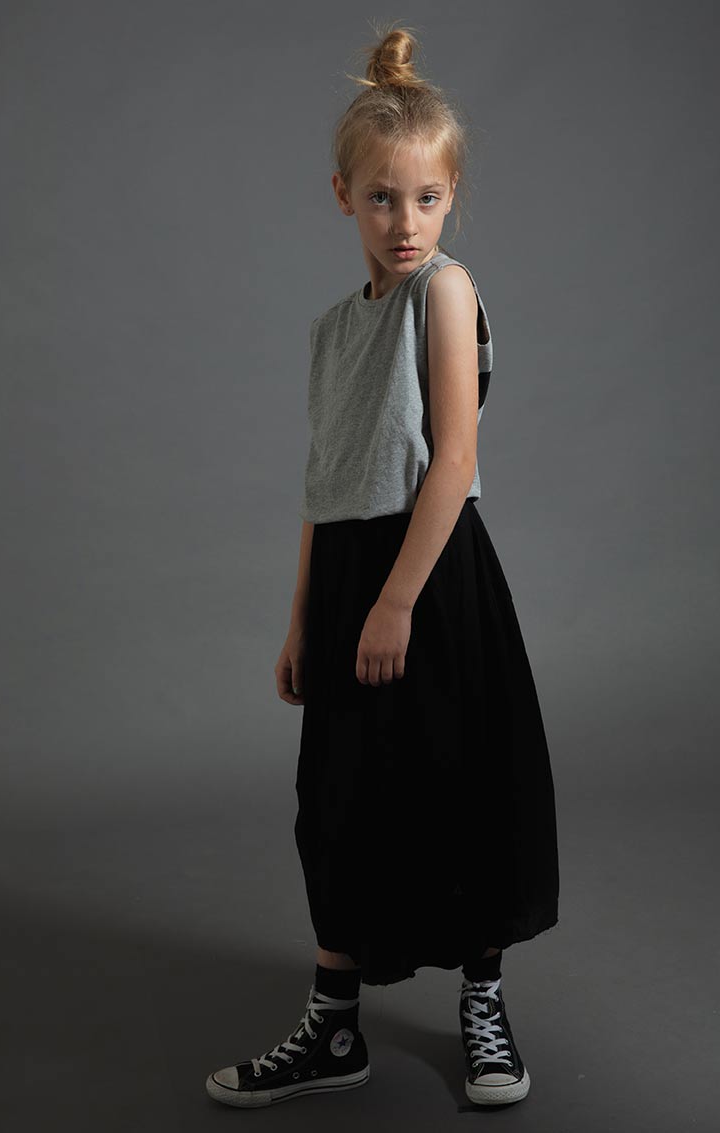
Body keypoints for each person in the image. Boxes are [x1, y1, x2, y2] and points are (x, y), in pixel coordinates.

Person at [206, 20, 559, 1111]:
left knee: (460, 784)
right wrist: (301, 617)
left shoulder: (443, 292)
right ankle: (333, 1026)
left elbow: (453, 458)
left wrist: (398, 599)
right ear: (342, 196)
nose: (404, 222)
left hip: (430, 571)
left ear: (450, 200)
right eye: (381, 198)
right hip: (350, 575)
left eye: (426, 199)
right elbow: (325, 482)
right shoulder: (330, 332)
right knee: (339, 799)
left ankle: (483, 1005)